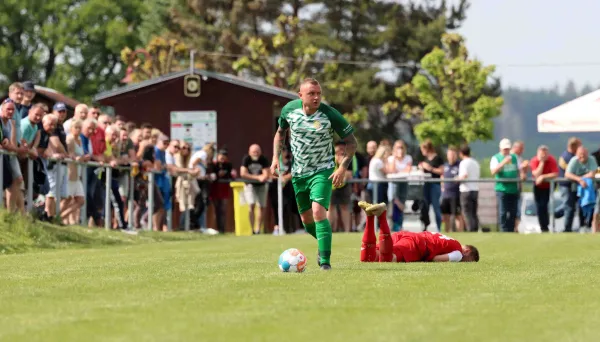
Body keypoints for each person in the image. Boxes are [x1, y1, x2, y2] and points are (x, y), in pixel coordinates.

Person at [270, 78, 357, 271]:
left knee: (318, 211)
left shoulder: (330, 114)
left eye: (318, 93)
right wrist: (275, 158)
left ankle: (325, 262)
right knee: (307, 221)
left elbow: (352, 142)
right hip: (299, 173)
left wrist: (342, 167)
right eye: (311, 93)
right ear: (301, 95)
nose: (316, 97)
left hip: (323, 171)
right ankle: (324, 241)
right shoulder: (289, 110)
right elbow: (280, 132)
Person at [358, 201, 479, 263]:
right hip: (417, 245)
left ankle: (369, 216)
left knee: (368, 257)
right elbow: (435, 259)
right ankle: (382, 216)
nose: (464, 262)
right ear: (467, 251)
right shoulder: (458, 253)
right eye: (469, 261)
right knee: (387, 259)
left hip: (408, 235)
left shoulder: (451, 240)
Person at [490, 138, 520, 232]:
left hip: (513, 189)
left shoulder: (514, 157)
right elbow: (493, 171)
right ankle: (503, 230)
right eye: (504, 149)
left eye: (507, 149)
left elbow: (518, 170)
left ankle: (511, 230)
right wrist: (503, 162)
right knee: (503, 212)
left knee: (513, 212)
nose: (506, 151)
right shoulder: (496, 158)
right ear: (500, 149)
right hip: (502, 189)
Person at [529, 145, 559, 233]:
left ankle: (546, 225)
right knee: (539, 206)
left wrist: (543, 177)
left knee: (544, 204)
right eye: (541, 154)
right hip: (537, 186)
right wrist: (541, 163)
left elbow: (555, 174)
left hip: (548, 186)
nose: (543, 156)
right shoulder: (534, 160)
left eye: (545, 154)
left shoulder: (551, 160)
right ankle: (543, 226)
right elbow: (536, 174)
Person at [387, 140, 412, 231]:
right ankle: (390, 226)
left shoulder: (408, 158)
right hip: (393, 183)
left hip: (404, 183)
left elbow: (408, 170)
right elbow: (392, 170)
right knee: (392, 202)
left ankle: (399, 226)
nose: (400, 149)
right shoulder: (391, 158)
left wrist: (399, 172)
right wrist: (395, 157)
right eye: (397, 147)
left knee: (401, 202)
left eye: (401, 147)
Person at [458, 145, 481, 232]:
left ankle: (470, 229)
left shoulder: (464, 163)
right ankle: (475, 229)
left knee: (467, 212)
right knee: (474, 212)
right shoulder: (475, 162)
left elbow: (464, 175)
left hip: (466, 190)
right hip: (475, 189)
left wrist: (456, 179)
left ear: (461, 153)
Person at [441, 147, 464, 232]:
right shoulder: (446, 165)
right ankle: (447, 233)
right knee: (446, 216)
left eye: (453, 154)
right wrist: (442, 186)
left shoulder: (460, 165)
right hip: (445, 194)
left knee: (457, 215)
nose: (451, 156)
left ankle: (460, 233)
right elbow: (442, 176)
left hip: (455, 194)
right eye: (450, 154)